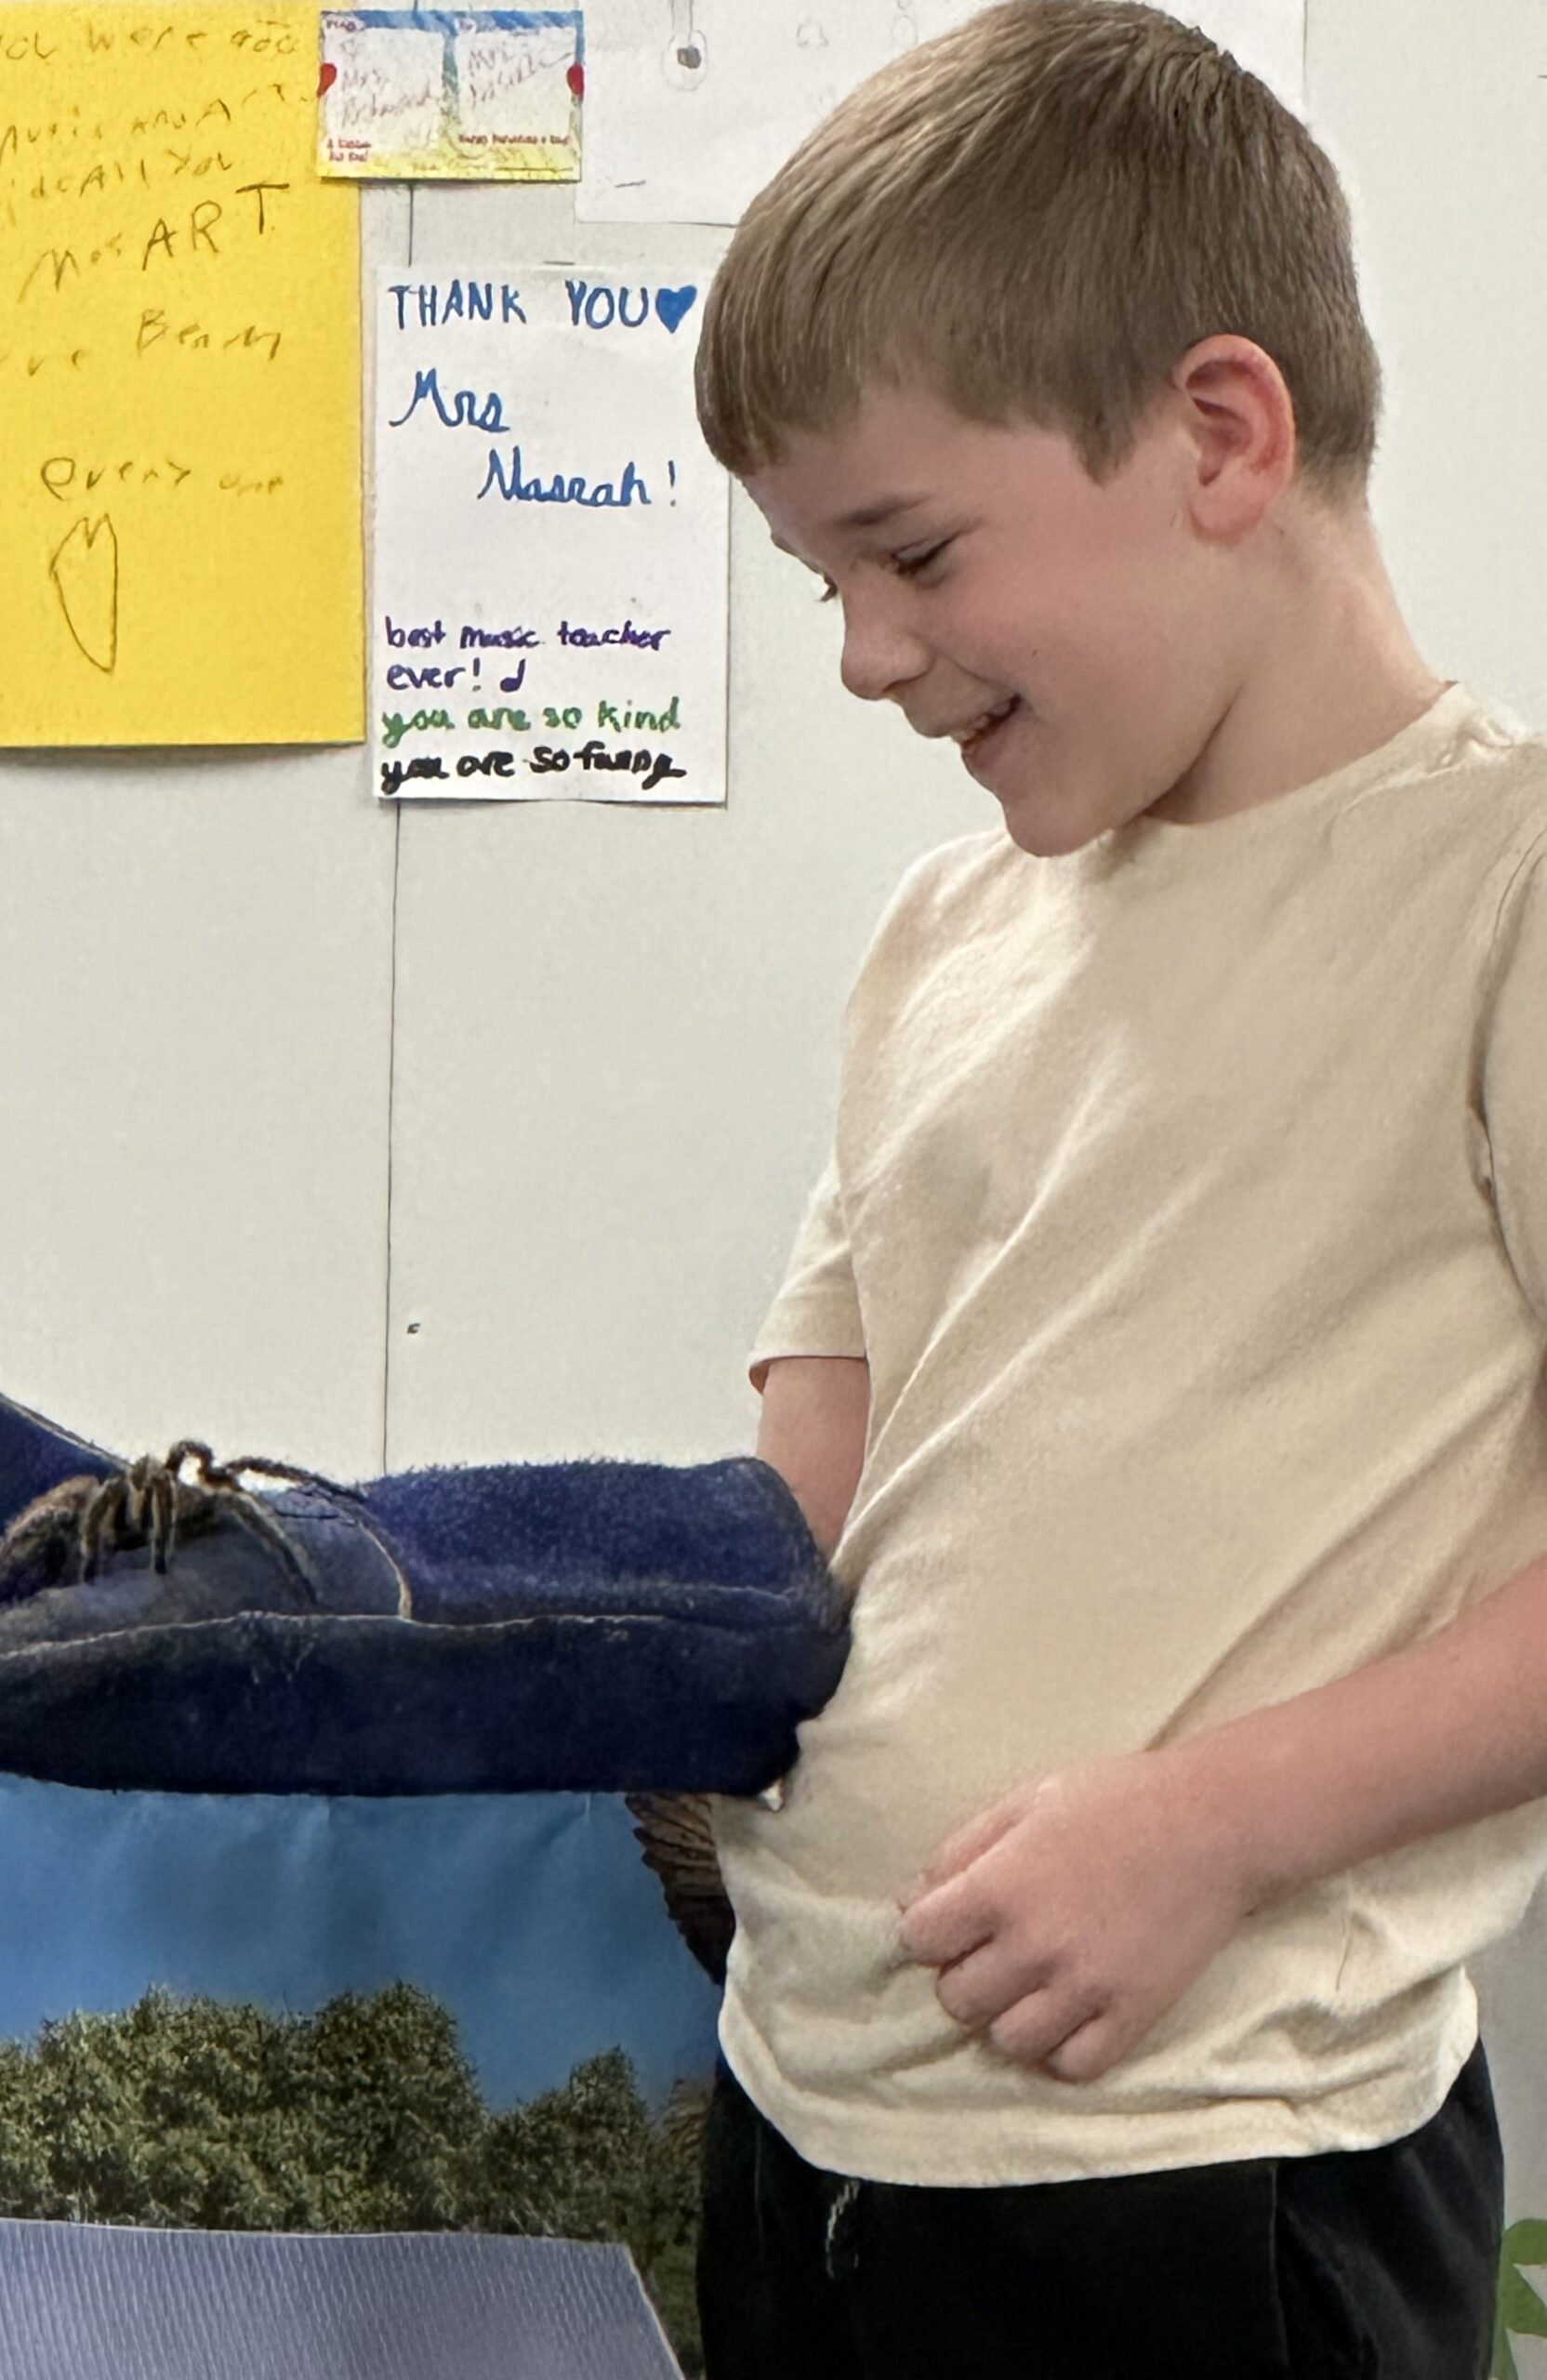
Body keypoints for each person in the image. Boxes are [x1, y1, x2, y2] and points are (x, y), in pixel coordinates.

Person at [688, 5, 1547, 2372]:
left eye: (910, 550)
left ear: (1222, 435)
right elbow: (804, 1506)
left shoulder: (1500, 890)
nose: (865, 655)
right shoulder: (939, 935)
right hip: (809, 2111)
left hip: (1218, 2174)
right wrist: (463, 1640)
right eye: (821, 580)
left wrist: (1215, 1826)